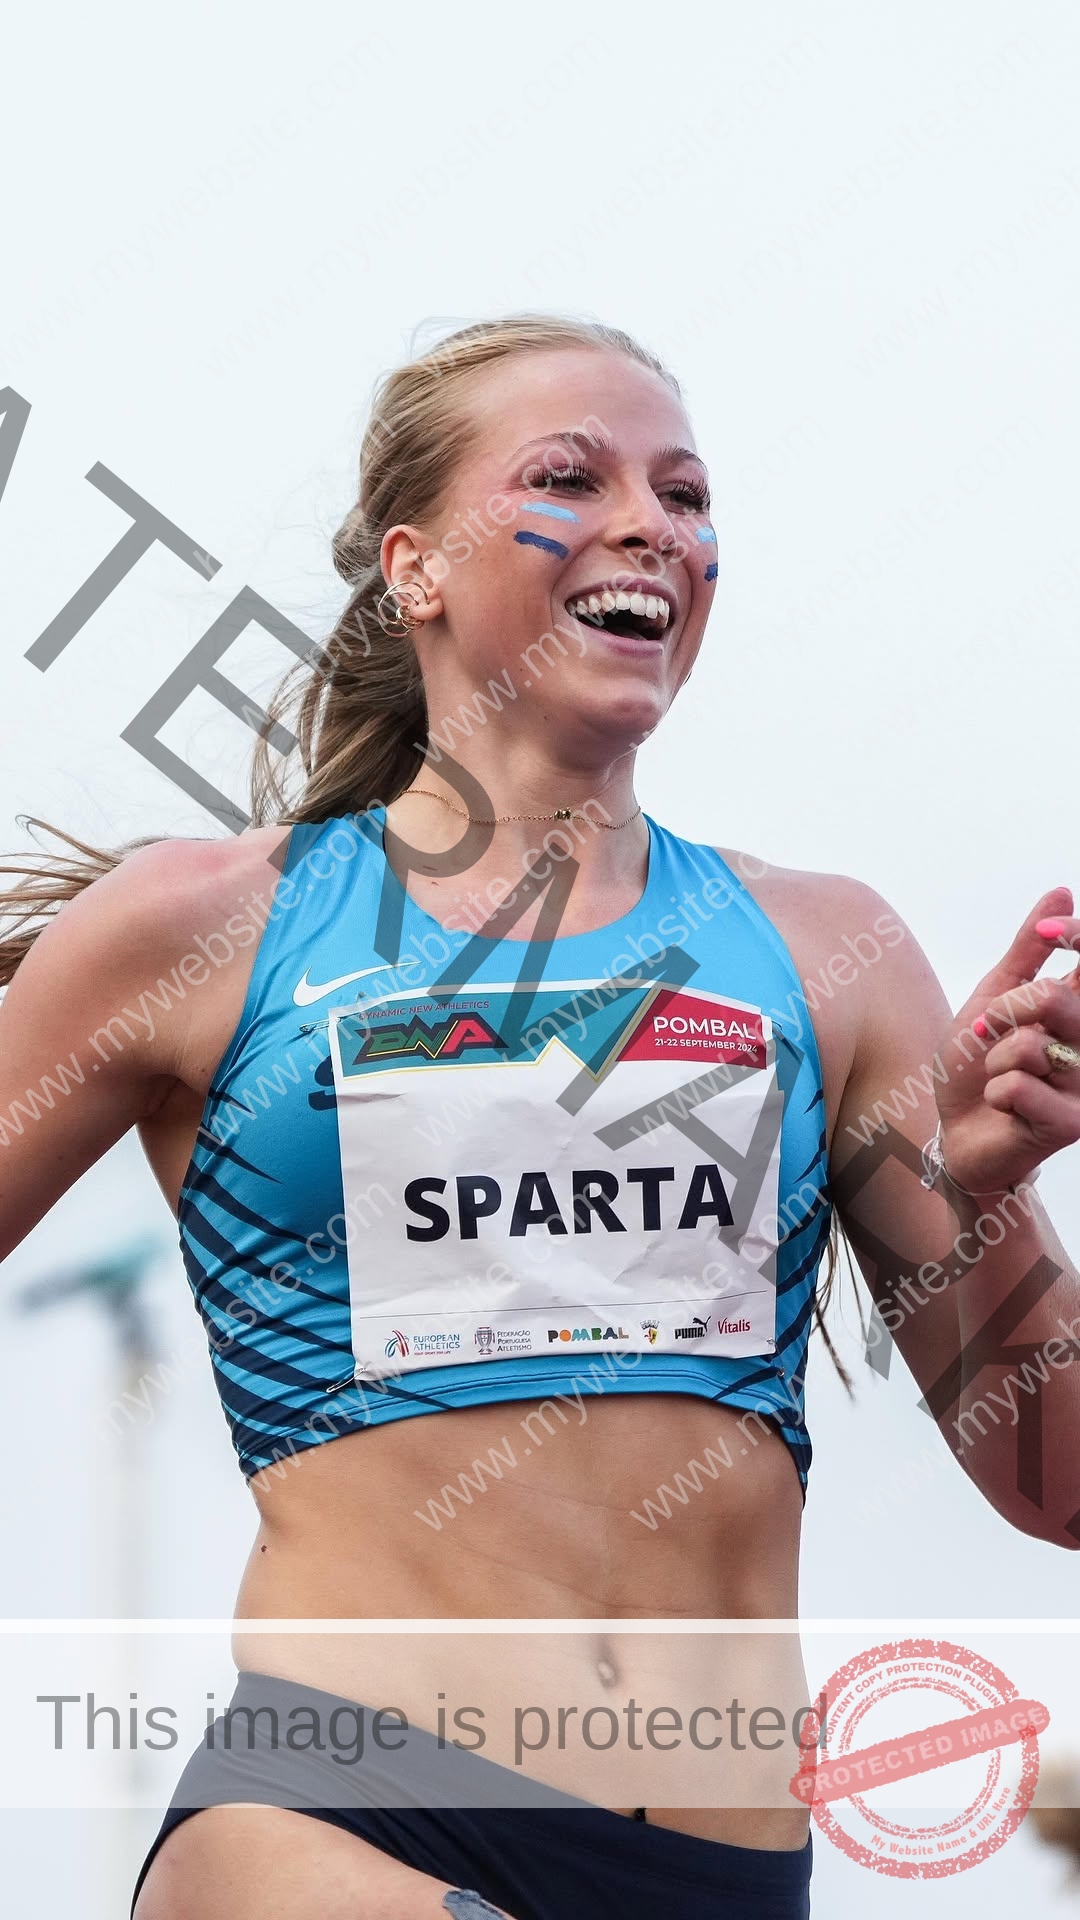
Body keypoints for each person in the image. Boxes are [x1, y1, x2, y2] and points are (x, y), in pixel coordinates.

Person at [2, 314, 1079, 1920]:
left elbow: (1053, 1487)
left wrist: (973, 1195)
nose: (656, 524)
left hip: (717, 1870)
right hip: (338, 1817)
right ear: (414, 570)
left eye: (688, 494)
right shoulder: (202, 928)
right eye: (572, 477)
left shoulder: (825, 959)